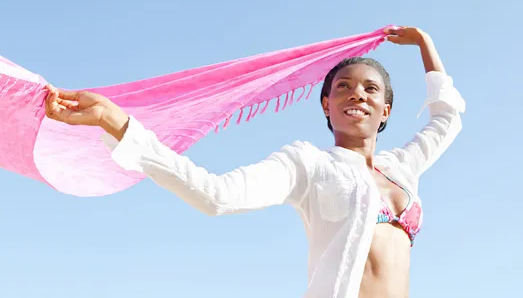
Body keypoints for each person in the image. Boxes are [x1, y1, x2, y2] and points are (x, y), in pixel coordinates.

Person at [44, 26, 465, 298]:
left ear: (387, 109)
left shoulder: (403, 168)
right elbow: (215, 195)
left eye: (371, 90)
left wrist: (426, 44)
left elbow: (447, 118)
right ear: (325, 105)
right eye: (343, 87)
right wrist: (119, 123)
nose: (358, 94)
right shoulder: (308, 164)